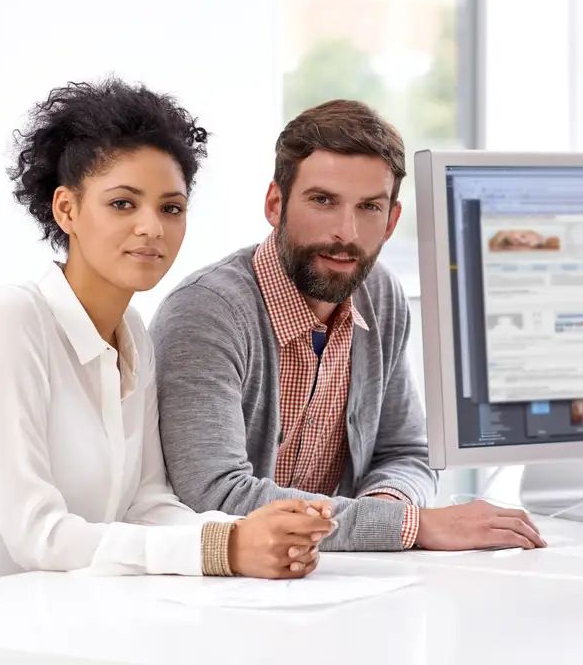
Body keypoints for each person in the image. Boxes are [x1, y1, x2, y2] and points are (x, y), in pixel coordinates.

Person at [0, 79, 334, 588]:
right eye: (123, 204)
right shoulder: (10, 320)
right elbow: (37, 535)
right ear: (66, 210)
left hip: (57, 620)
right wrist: (223, 548)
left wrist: (256, 531)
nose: (152, 228)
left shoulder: (133, 334)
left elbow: (146, 503)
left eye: (171, 208)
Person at [149, 99, 545, 552]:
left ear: (393, 220)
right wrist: (409, 526)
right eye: (323, 201)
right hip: (216, 590)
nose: (347, 232)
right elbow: (214, 495)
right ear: (275, 204)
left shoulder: (381, 296)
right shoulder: (206, 313)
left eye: (370, 208)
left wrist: (385, 505)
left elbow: (406, 453)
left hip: (337, 577)